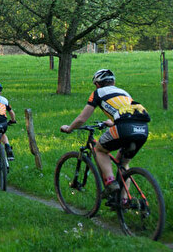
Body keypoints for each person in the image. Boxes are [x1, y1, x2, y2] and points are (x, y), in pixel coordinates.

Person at [60, 69, 150, 199]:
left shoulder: (97, 93)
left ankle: (110, 182)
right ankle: (124, 201)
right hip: (142, 129)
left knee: (99, 150)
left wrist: (69, 128)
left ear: (97, 84)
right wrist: (113, 123)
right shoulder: (124, 93)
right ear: (113, 82)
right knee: (122, 164)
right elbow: (128, 115)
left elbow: (81, 119)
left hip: (124, 127)